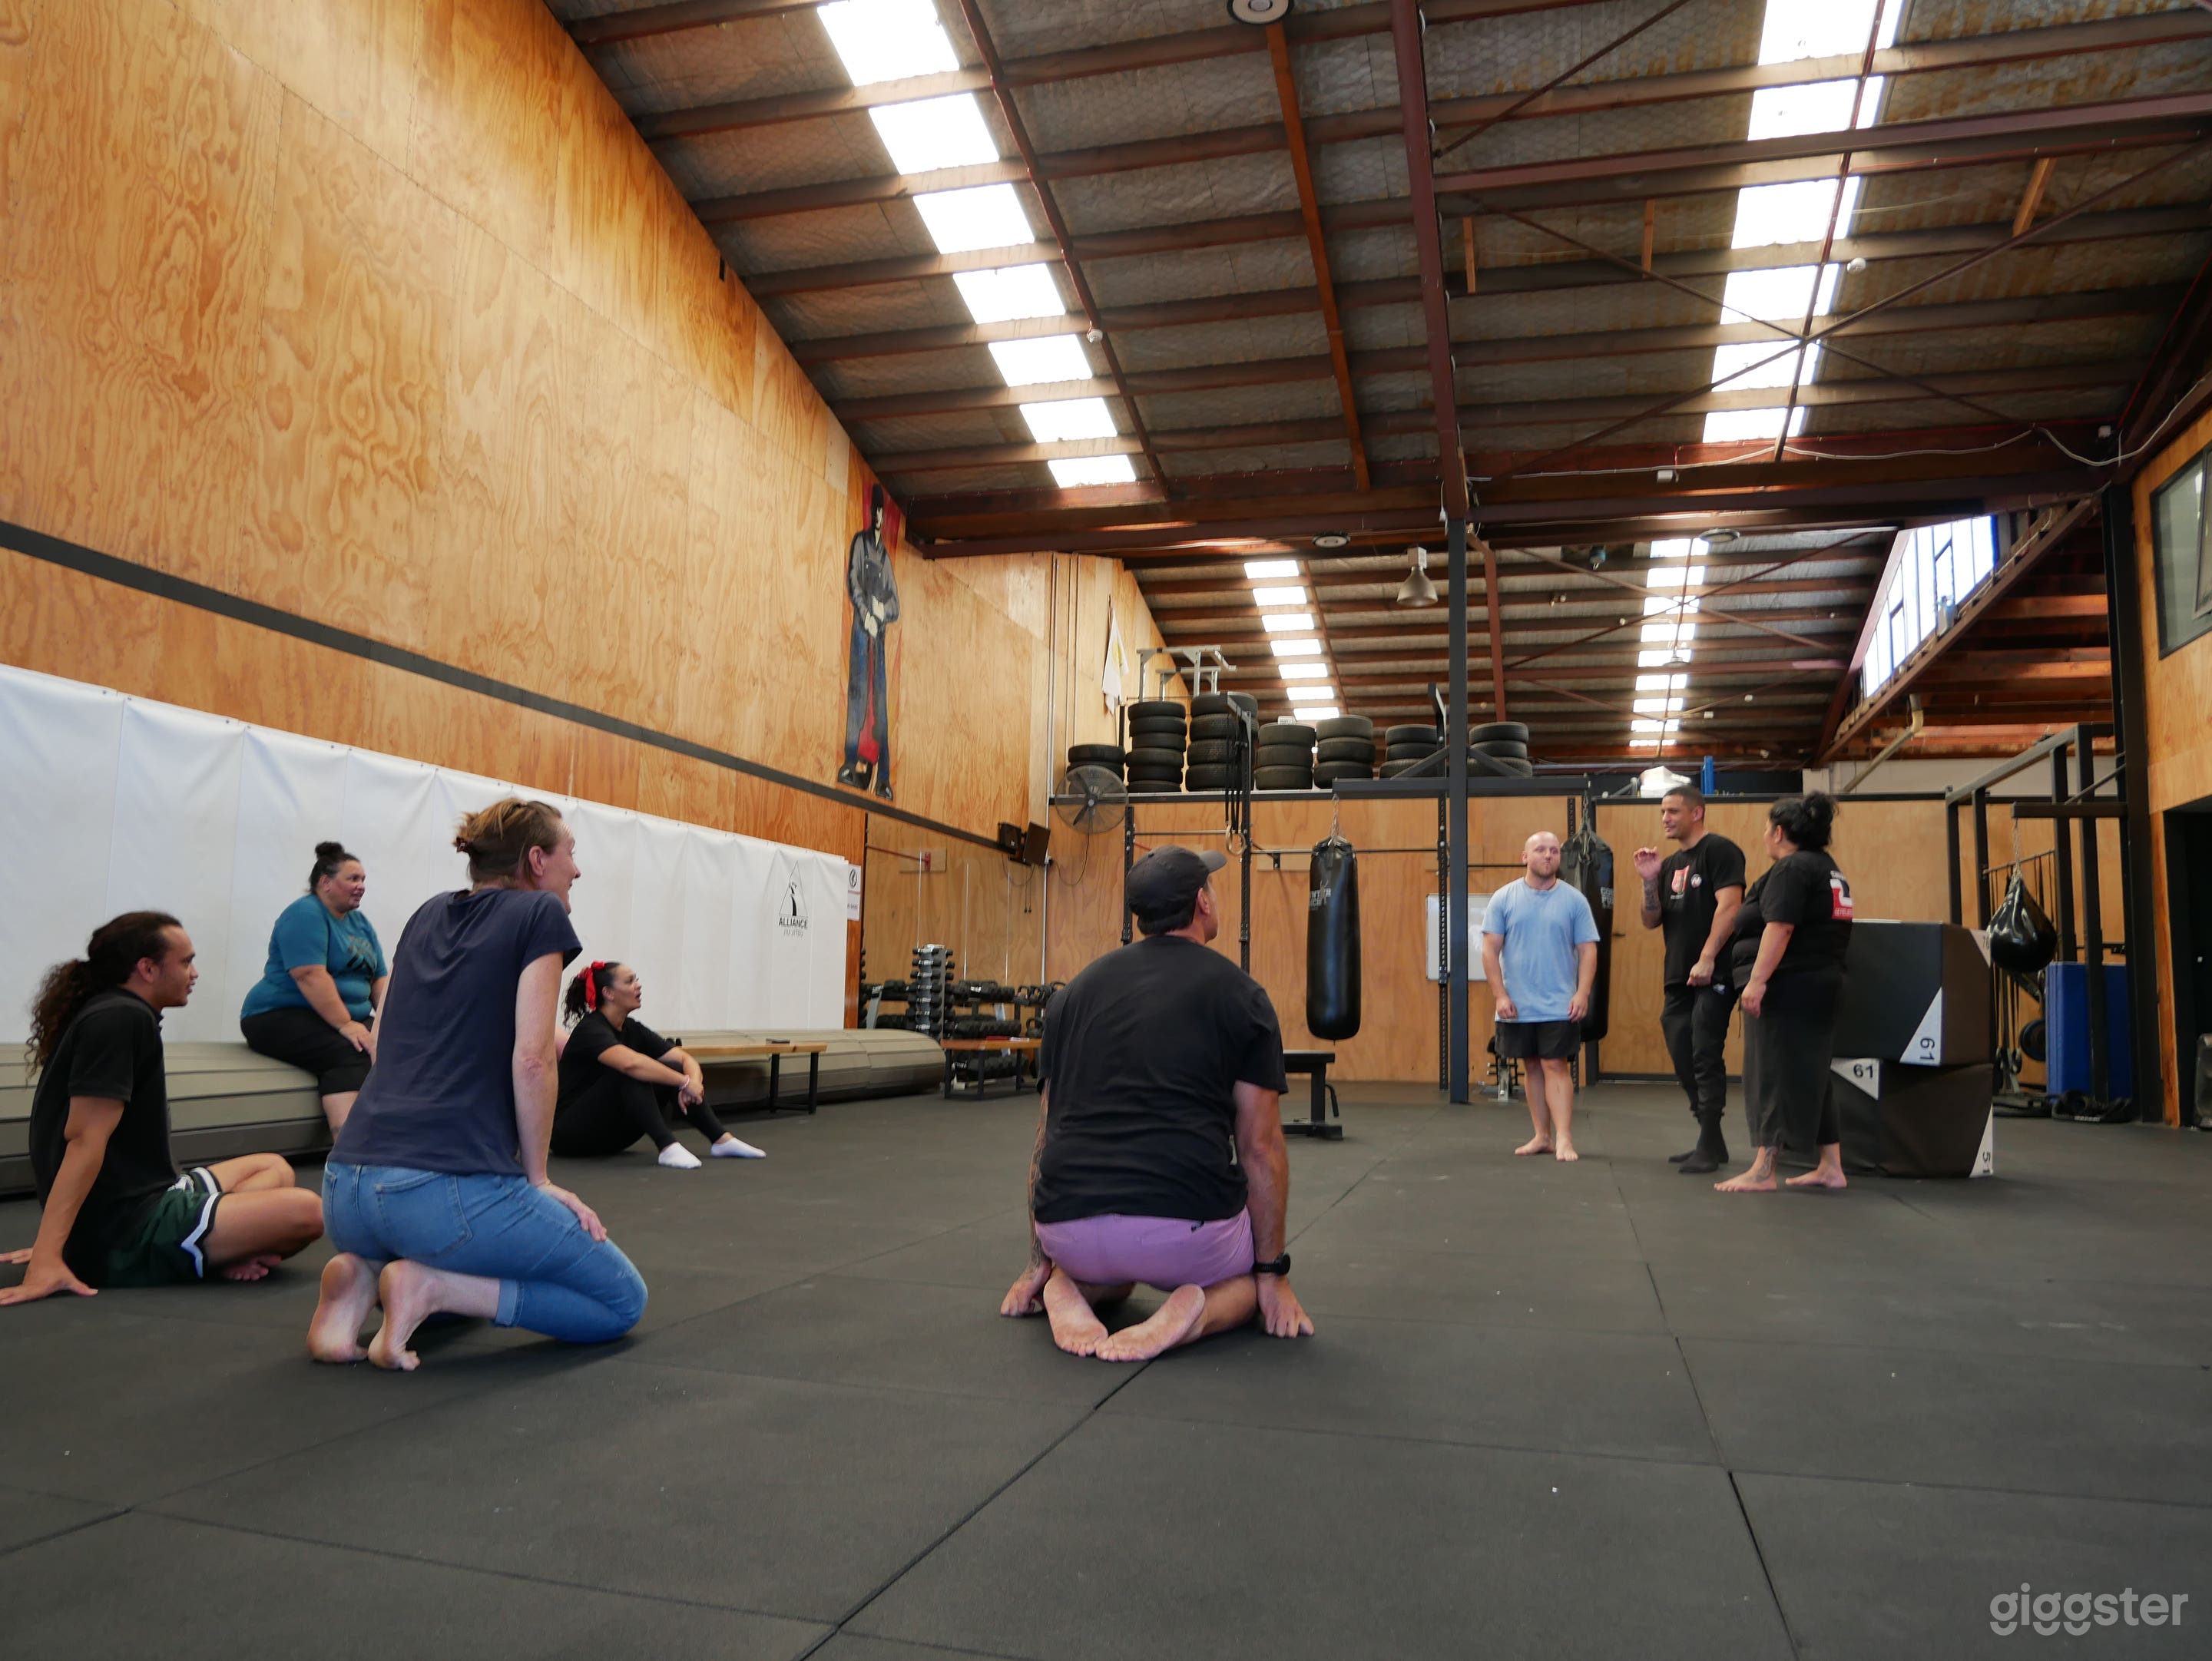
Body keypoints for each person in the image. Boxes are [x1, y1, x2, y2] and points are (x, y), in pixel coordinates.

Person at [308, 799, 647, 1370]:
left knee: (461, 1260)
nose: (578, 869)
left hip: (345, 1190)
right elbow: (534, 1058)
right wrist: (537, 1179)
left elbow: (382, 1041)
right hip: (436, 1198)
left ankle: (362, 1275)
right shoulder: (539, 913)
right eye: (571, 853)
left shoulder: (425, 914)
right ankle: (428, 1288)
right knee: (619, 1300)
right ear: (537, 860)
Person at [998, 846, 1313, 1361]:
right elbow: (1260, 1147)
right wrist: (1272, 1273)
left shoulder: (1070, 996)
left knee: (1114, 1271)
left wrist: (1040, 1259)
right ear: (1202, 904)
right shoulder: (1240, 994)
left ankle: (1065, 1286)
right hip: (1182, 1234)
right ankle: (1194, 1313)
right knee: (1243, 1283)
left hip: (1069, 1231)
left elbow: (1045, 1136)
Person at [2, 913, 323, 1306]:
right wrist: (50, 1253)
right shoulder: (120, 1019)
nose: (195, 973)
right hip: (124, 1229)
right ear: (148, 969)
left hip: (153, 1191)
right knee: (306, 1211)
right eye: (186, 962)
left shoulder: (119, 1011)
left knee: (273, 1167)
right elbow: (83, 1139)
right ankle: (216, 1251)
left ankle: (220, 1248)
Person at [1715, 793, 1854, 1196]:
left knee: (1770, 1070)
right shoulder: (1827, 867)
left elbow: (1780, 927)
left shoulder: (1792, 869)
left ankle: (1763, 1170)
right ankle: (1831, 1166)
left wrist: (1757, 981)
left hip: (1789, 985)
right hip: (1820, 983)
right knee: (1815, 1074)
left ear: (1779, 832)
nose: (1763, 835)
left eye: (1765, 828)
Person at [1632, 785, 1746, 1174]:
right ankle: (1710, 1137)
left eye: (1673, 811)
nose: (1665, 818)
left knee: (1703, 1051)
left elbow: (1731, 907)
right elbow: (1651, 920)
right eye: (1663, 812)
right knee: (1680, 1044)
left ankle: (1709, 1144)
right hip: (1678, 974)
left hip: (1714, 970)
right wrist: (1649, 880)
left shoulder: (1720, 851)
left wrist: (1708, 957)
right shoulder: (1670, 865)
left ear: (1697, 813)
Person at [239, 840, 389, 1132]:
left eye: (363, 880)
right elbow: (309, 975)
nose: (361, 886)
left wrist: (387, 1023)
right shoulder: (305, 913)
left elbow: (378, 978)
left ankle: (388, 1135)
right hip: (278, 1015)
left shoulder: (360, 923)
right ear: (326, 883)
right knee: (353, 1049)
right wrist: (346, 1024)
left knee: (395, 1047)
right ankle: (347, 1141)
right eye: (353, 879)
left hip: (338, 1017)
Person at [554, 961, 764, 1167]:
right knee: (634, 1071)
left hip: (611, 1136)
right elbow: (630, 1064)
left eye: (636, 980)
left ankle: (721, 1140)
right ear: (609, 993)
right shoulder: (590, 1029)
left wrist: (694, 1083)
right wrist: (683, 1082)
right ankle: (667, 1146)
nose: (638, 985)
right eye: (629, 981)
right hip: (571, 1136)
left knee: (670, 1069)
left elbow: (684, 1059)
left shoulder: (632, 1028)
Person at [1482, 830, 1601, 1163]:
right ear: (1525, 857)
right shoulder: (1504, 898)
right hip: (1517, 1004)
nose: (1548, 855)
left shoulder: (1574, 900)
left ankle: (1564, 1138)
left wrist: (1582, 993)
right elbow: (1490, 951)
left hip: (1560, 1003)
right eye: (1540, 850)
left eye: (1553, 851)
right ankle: (1542, 1136)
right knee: (1532, 1066)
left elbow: (1588, 950)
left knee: (1555, 1065)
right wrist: (1500, 995)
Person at [837, 484, 899, 802]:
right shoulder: (860, 544)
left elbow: (896, 606)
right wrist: (866, 613)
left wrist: (882, 612)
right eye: (874, 510)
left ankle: (884, 779)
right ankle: (850, 763)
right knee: (858, 695)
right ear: (869, 512)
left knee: (881, 706)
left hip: (880, 638)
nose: (877, 516)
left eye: (881, 512)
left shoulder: (885, 557)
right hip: (862, 633)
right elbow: (853, 582)